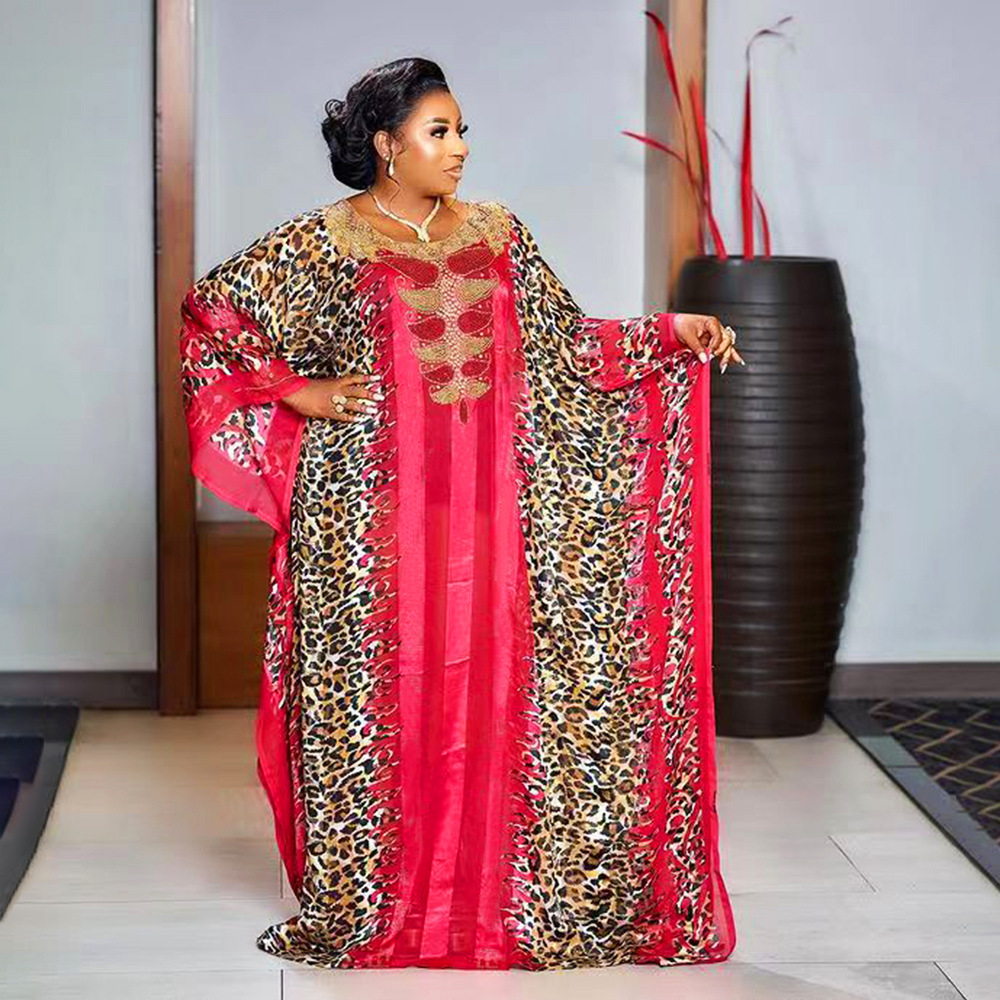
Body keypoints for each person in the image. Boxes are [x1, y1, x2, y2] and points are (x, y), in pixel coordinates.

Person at [178, 55, 740, 971]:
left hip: (487, 508)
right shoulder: (325, 241)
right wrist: (299, 392)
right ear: (386, 145)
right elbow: (214, 319)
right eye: (439, 131)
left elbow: (569, 347)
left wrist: (672, 330)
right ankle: (382, 902)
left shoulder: (499, 233)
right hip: (364, 516)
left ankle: (491, 899)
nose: (460, 147)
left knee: (493, 687)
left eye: (461, 130)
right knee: (377, 698)